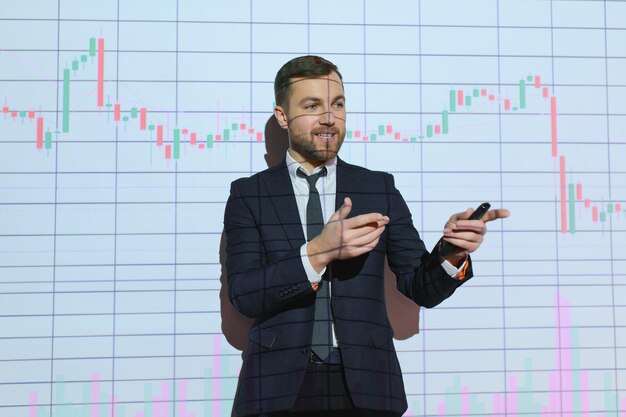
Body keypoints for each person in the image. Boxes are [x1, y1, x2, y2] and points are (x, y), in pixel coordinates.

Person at [223, 55, 509, 417]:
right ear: (282, 116)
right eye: (312, 106)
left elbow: (419, 286)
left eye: (337, 105)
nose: (329, 118)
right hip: (275, 390)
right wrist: (317, 255)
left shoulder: (378, 188)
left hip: (369, 388)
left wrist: (452, 252)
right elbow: (244, 295)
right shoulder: (250, 195)